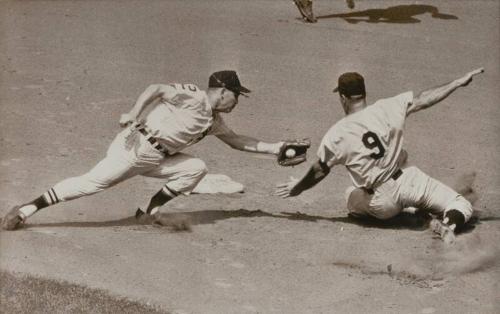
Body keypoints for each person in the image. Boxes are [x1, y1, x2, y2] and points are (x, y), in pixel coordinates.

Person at [2, 70, 288, 230]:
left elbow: (238, 141)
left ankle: (149, 211)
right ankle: (26, 209)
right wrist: (133, 113)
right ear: (223, 91)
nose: (238, 101)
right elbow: (156, 88)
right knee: (92, 184)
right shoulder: (192, 95)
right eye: (237, 95)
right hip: (135, 147)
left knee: (195, 168)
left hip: (160, 158)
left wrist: (275, 148)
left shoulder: (214, 121)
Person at [275, 68, 484, 244]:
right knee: (461, 204)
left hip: (384, 203)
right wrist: (456, 83)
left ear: (343, 97)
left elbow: (319, 170)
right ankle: (449, 223)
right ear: (364, 93)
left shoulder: (337, 133)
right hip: (411, 180)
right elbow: (423, 99)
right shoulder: (388, 106)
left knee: (350, 195)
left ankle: (410, 211)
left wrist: (298, 187)